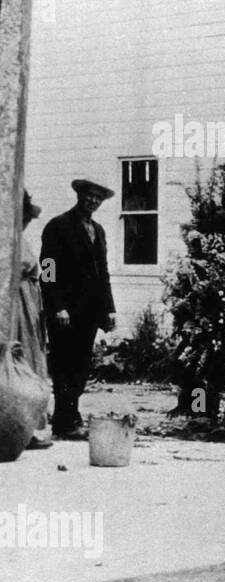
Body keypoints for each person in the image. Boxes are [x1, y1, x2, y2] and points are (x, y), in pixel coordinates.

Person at [41, 179, 117, 440]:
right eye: (89, 196)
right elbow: (48, 269)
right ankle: (64, 422)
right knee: (65, 364)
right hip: (65, 312)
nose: (93, 201)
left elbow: (103, 272)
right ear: (79, 195)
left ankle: (71, 415)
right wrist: (57, 306)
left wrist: (109, 308)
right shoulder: (58, 226)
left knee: (82, 367)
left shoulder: (99, 230)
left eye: (98, 198)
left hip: (89, 311)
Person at [17, 191, 53, 449]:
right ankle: (19, 427)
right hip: (17, 305)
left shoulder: (20, 239)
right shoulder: (9, 240)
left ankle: (27, 425)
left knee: (32, 356)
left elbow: (47, 271)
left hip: (29, 302)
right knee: (21, 361)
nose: (27, 222)